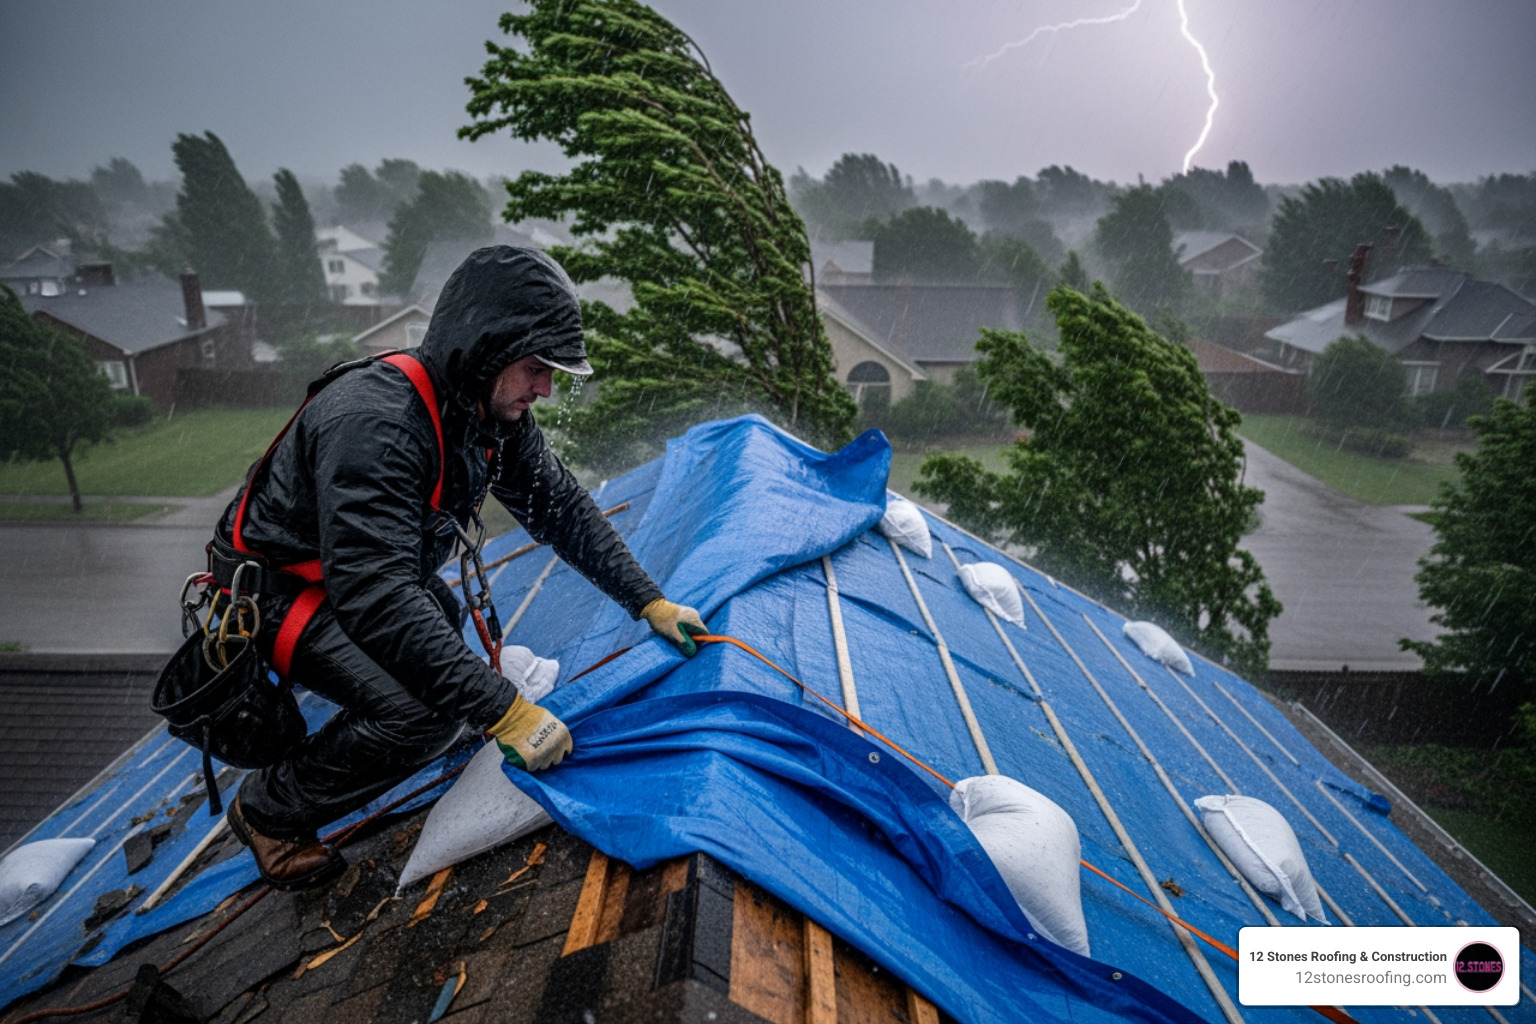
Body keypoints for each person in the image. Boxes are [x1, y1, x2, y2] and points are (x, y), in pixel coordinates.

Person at [205, 246, 705, 890]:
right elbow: (375, 596)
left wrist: (648, 601)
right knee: (422, 716)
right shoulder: (376, 422)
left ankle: (392, 729)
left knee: (439, 626)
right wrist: (506, 710)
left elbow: (561, 510)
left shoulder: (485, 412)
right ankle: (269, 809)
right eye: (535, 368)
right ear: (486, 350)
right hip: (275, 593)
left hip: (351, 579)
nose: (545, 389)